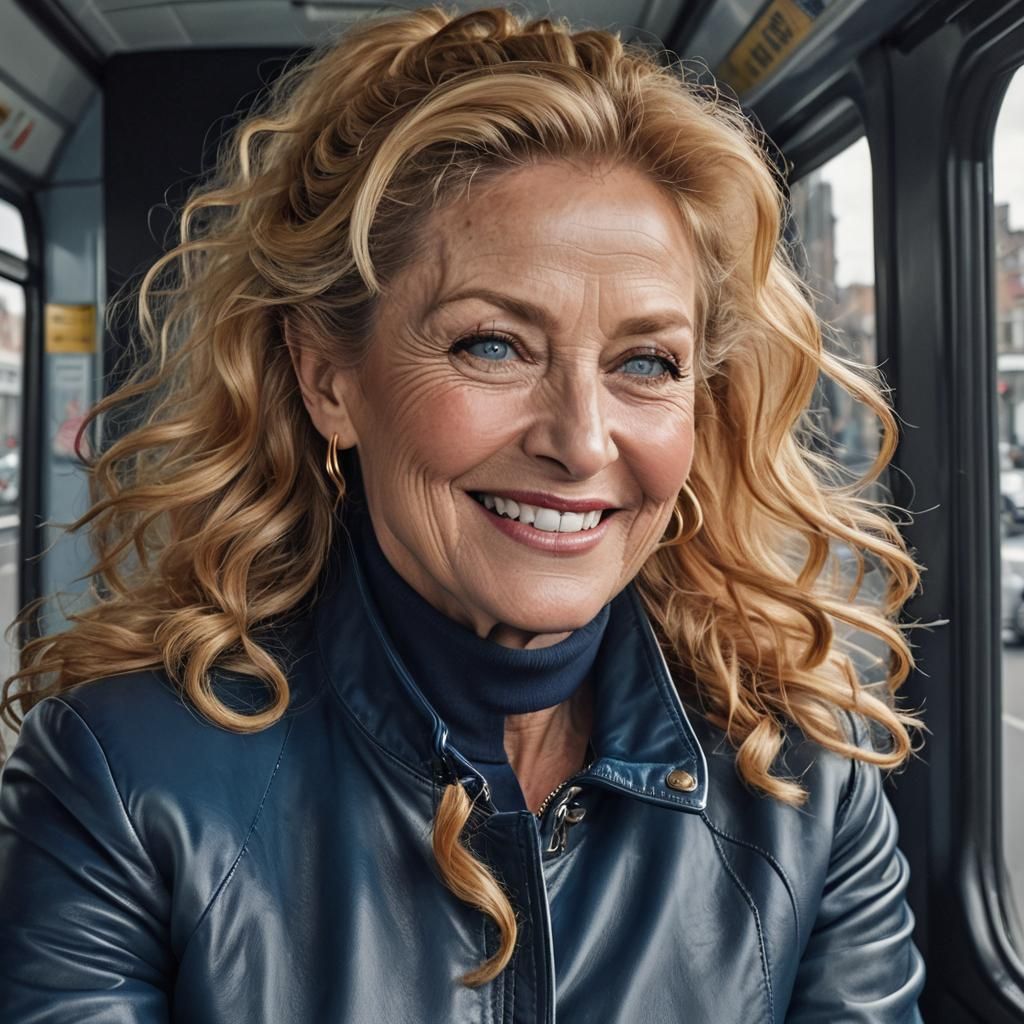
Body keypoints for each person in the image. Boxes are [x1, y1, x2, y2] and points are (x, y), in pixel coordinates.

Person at [0, 6, 926, 1021]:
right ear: (329, 381)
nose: (580, 440)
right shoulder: (123, 778)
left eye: (645, 363)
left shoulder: (798, 780)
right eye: (494, 345)